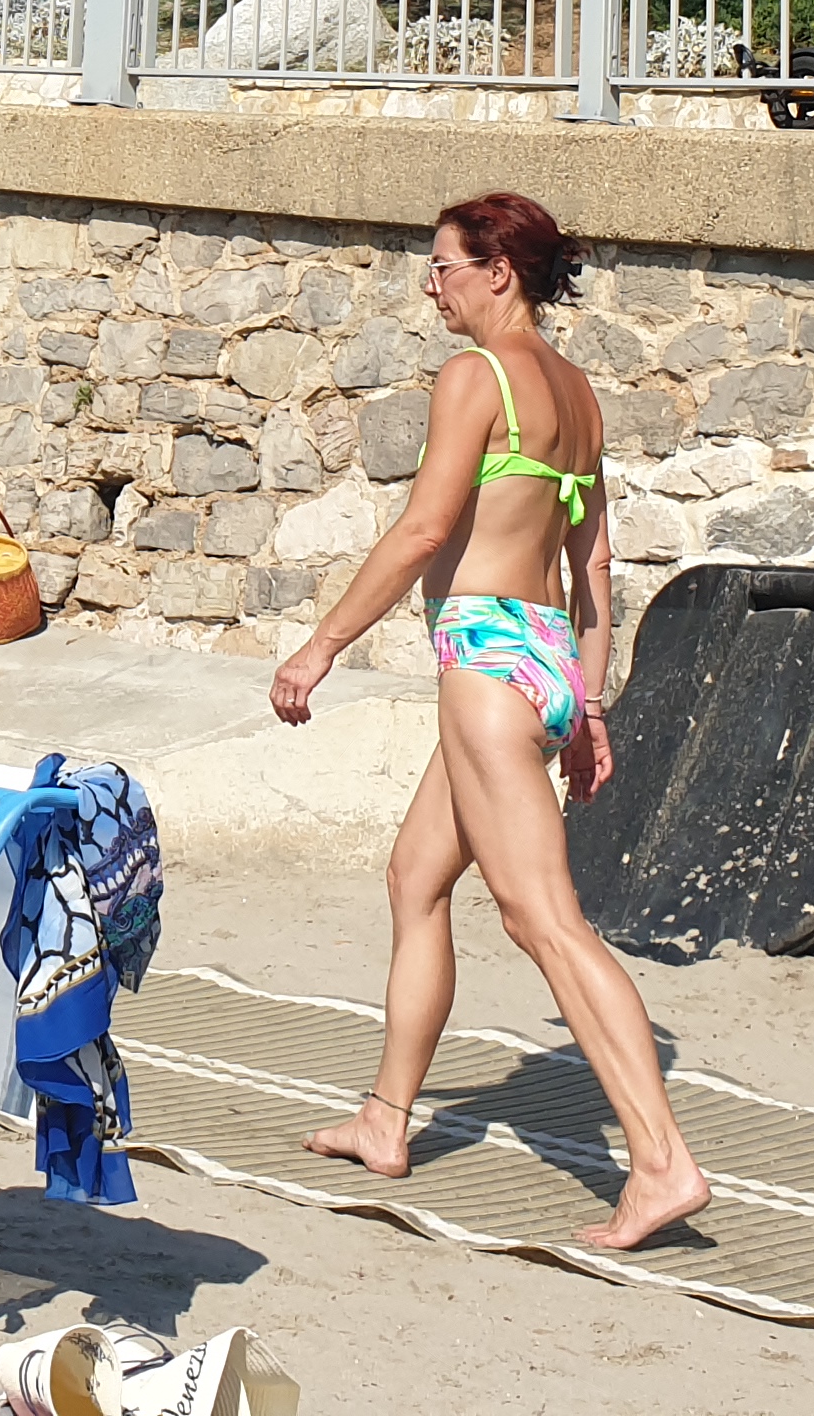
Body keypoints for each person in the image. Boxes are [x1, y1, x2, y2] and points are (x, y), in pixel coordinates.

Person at [264, 191, 708, 1251]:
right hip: (544, 655)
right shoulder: (578, 393)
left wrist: (322, 645)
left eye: (445, 266)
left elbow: (424, 530)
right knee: (416, 877)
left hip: (486, 655)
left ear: (499, 272)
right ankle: (385, 1120)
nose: (433, 285)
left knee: (543, 919)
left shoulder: (477, 377)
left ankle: (661, 1164)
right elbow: (594, 563)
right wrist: (586, 702)